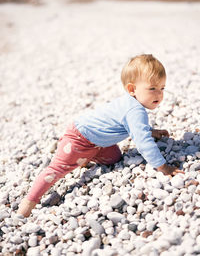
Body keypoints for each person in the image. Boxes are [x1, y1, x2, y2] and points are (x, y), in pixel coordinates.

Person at [17, 54, 184, 217]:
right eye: (152, 88)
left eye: (162, 88)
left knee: (114, 159)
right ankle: (29, 201)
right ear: (132, 89)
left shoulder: (131, 104)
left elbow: (137, 128)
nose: (159, 94)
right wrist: (163, 167)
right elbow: (143, 143)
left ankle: (87, 157)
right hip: (79, 139)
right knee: (57, 170)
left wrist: (150, 131)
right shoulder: (135, 110)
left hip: (98, 143)